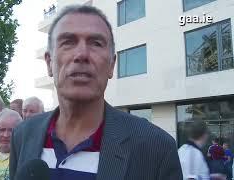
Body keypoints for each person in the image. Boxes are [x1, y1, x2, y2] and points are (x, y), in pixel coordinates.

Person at [10, 5, 182, 180]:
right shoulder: (22, 135)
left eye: (96, 43)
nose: (82, 54)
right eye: (68, 42)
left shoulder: (156, 148)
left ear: (111, 65)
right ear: (49, 63)